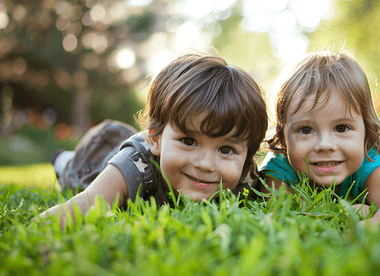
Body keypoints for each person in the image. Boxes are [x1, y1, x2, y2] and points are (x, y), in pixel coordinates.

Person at [40, 53, 268, 228]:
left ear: (248, 155)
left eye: (226, 149)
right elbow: (82, 207)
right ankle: (63, 161)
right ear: (156, 138)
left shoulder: (246, 176)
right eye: (189, 141)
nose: (206, 164)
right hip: (99, 157)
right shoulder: (138, 162)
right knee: (75, 176)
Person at [260, 50, 380, 226]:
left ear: (366, 129)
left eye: (341, 128)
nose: (325, 145)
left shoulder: (371, 164)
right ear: (282, 136)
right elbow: (280, 208)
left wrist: (376, 224)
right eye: (305, 130)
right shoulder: (279, 166)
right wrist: (341, 212)